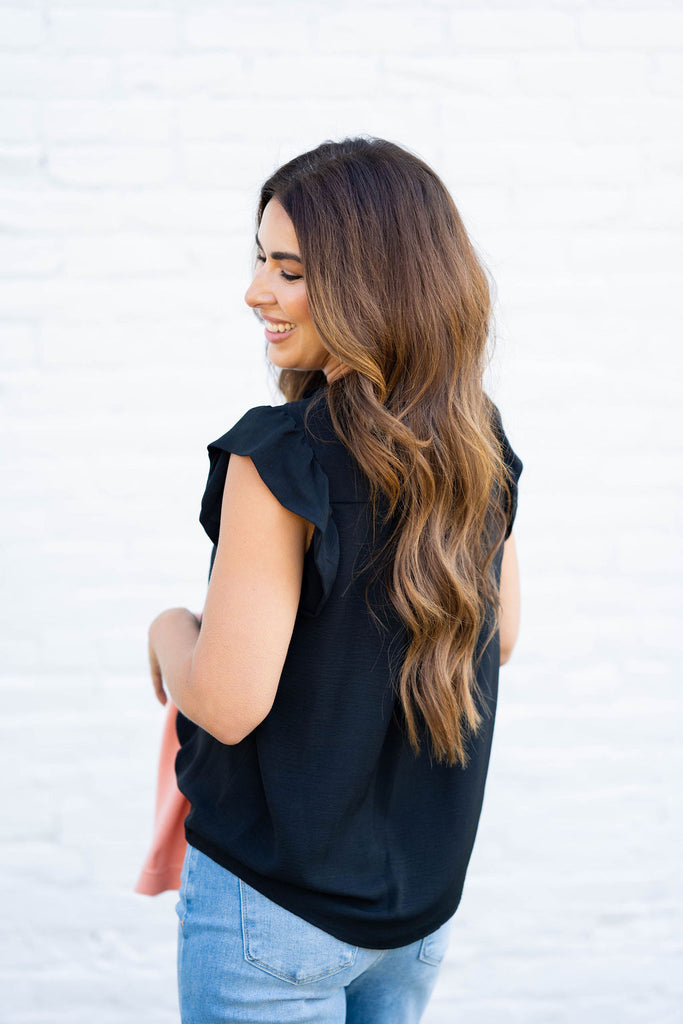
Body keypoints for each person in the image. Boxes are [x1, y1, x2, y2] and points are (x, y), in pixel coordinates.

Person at [147, 137, 522, 1024]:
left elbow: (227, 704)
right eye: (259, 261)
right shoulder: (473, 438)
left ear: (372, 285)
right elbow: (499, 637)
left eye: (290, 272)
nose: (256, 292)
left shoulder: (280, 455)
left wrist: (169, 630)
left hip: (274, 913)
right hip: (416, 914)